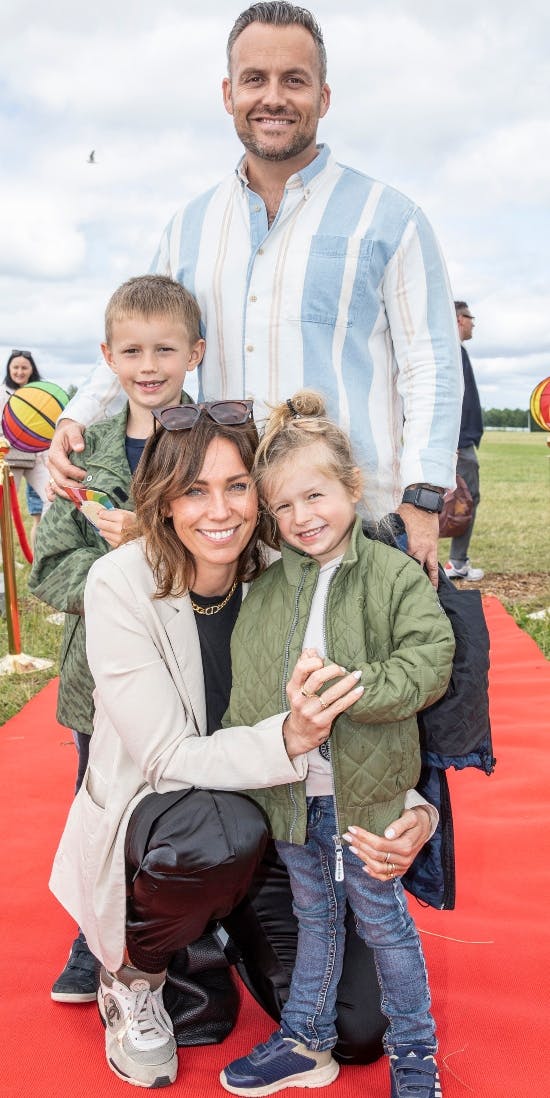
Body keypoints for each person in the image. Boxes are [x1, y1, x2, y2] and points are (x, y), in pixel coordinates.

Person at [46, 1, 463, 587]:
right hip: (227, 527)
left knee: (357, 679)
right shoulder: (188, 227)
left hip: (357, 525)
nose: (274, 97)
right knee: (236, 678)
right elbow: (138, 338)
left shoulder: (389, 219)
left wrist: (422, 501)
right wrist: (77, 417)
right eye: (254, 80)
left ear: (323, 96)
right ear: (227, 94)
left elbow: (433, 366)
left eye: (294, 80)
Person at [49, 403, 375, 1088]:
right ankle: (134, 975)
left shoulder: (285, 568)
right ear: (163, 499)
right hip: (170, 813)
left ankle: (221, 926)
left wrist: (417, 813)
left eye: (237, 485)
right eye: (194, 489)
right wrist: (287, 738)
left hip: (281, 829)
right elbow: (167, 757)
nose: (219, 510)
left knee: (355, 1030)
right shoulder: (120, 582)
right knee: (216, 832)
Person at [219, 390, 455, 1098]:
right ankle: (306, 1038)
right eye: (283, 508)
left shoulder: (390, 575)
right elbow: (248, 697)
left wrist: (351, 689)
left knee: (385, 927)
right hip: (296, 797)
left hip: (370, 792)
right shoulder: (263, 591)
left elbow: (430, 658)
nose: (302, 518)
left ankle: (416, 1053)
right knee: (313, 918)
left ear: (352, 488)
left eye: (315, 496)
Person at [29, 274, 205, 1002]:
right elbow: (49, 571)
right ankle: (92, 938)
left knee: (182, 807)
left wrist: (158, 545)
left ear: (195, 353)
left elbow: (241, 549)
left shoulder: (215, 444)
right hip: (98, 682)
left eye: (165, 348)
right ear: (107, 356)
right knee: (100, 807)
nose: (149, 365)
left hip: (196, 670)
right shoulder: (85, 453)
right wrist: (115, 567)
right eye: (132, 350)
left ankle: (182, 943)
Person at [444, 301, 484, 581]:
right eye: (470, 317)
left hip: (460, 441)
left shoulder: (456, 352)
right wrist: (455, 440)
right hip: (459, 443)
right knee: (465, 500)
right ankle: (457, 562)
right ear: (459, 319)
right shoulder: (451, 353)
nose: (473, 322)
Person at [1, 349, 50, 511]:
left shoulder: (40, 394)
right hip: (8, 461)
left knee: (52, 499)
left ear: (32, 370)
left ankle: (44, 536)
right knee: (3, 509)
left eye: (24, 368)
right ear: (9, 368)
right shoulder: (2, 394)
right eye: (15, 367)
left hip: (35, 459)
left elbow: (45, 429)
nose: (19, 372)